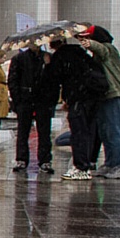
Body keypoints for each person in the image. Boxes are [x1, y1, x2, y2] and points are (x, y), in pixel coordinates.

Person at [49, 30, 104, 179]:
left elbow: (53, 78)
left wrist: (48, 64)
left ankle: (81, 167)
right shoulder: (79, 53)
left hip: (78, 97)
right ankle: (88, 162)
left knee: (78, 132)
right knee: (88, 131)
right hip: (92, 96)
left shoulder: (60, 56)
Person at [81, 25, 120, 178]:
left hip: (115, 95)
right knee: (106, 132)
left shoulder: (109, 48)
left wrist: (91, 45)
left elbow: (103, 49)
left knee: (115, 131)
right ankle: (111, 163)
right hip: (106, 96)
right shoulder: (97, 55)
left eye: (89, 37)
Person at [8, 40, 51, 172]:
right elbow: (13, 80)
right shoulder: (19, 58)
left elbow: (53, 79)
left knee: (44, 131)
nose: (35, 45)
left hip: (42, 99)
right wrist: (17, 99)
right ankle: (21, 159)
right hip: (25, 98)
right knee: (23, 130)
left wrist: (48, 65)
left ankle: (45, 160)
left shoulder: (47, 58)